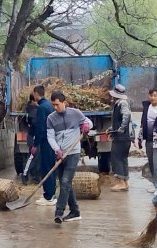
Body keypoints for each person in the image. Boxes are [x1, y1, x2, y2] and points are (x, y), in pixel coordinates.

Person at [46, 91, 89, 223]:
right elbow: (50, 137)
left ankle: (59, 212)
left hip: (73, 152)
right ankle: (75, 211)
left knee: (65, 182)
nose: (55, 107)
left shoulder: (75, 113)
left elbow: (88, 123)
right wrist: (57, 149)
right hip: (59, 154)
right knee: (66, 184)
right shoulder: (51, 118)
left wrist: (86, 125)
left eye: (57, 104)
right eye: (53, 105)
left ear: (64, 102)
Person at [31, 85, 57, 206]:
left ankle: (48, 196)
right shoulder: (50, 105)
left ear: (36, 93)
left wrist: (35, 144)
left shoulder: (42, 108)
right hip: (53, 141)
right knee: (51, 167)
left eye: (34, 94)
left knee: (46, 167)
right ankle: (51, 193)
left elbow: (40, 127)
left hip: (46, 141)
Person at [107, 84, 134, 192]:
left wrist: (121, 129)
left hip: (122, 137)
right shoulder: (120, 103)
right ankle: (125, 182)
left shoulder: (122, 103)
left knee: (117, 158)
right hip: (124, 137)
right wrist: (111, 129)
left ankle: (121, 182)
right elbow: (117, 121)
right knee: (123, 158)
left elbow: (126, 116)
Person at [22, 94, 40, 185]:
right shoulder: (33, 111)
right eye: (37, 101)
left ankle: (35, 177)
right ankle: (25, 175)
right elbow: (36, 124)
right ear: (33, 101)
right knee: (32, 156)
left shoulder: (32, 109)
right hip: (33, 137)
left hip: (35, 135)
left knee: (37, 157)